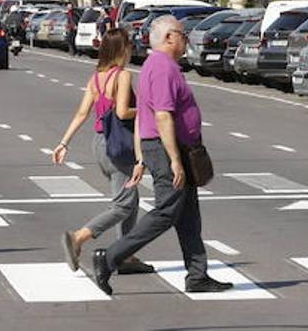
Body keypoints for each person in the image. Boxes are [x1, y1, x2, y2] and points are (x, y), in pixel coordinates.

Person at [92, 15, 230, 295]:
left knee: (188, 214)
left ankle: (197, 275)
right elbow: (163, 116)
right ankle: (109, 258)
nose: (186, 38)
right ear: (169, 37)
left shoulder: (156, 65)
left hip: (168, 147)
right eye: (182, 33)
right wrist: (175, 159)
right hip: (169, 148)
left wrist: (143, 157)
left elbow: (144, 115)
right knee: (167, 211)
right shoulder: (163, 67)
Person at [51, 27, 154, 276]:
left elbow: (82, 113)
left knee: (130, 200)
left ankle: (126, 255)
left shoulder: (96, 77)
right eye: (129, 45)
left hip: (100, 143)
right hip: (119, 145)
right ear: (122, 49)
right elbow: (122, 112)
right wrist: (145, 109)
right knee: (123, 205)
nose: (132, 49)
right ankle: (78, 237)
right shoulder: (123, 76)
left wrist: (64, 143)